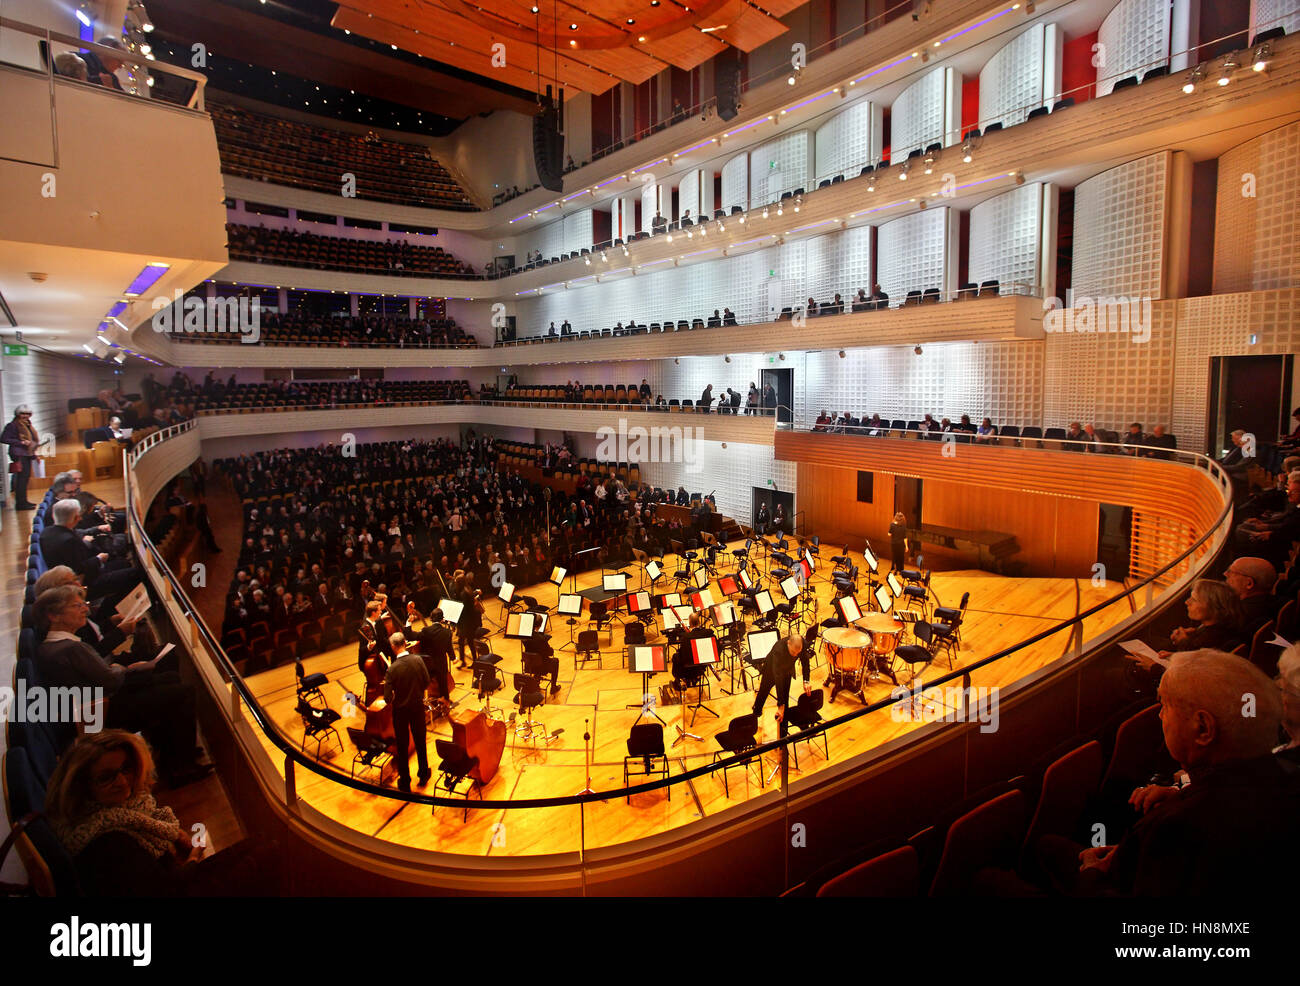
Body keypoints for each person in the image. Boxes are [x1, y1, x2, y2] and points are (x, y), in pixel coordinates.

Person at [1036, 649, 1300, 896]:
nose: (1160, 715)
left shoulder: (1178, 827)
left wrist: (1091, 874)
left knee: (1041, 850)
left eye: (1165, 705)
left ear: (1203, 728)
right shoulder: (1284, 776)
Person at [45, 730, 277, 895]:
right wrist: (193, 859)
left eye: (126, 768)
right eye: (107, 777)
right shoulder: (111, 845)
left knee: (264, 841)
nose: (123, 781)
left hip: (174, 879)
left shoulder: (116, 812)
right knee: (272, 853)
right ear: (82, 785)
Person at [36, 584, 210, 787]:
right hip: (101, 711)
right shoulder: (71, 648)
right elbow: (110, 679)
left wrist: (118, 670)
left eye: (83, 604)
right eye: (76, 606)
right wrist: (119, 668)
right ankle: (181, 767)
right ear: (53, 616)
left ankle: (173, 749)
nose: (85, 609)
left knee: (170, 678)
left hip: (98, 703)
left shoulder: (53, 646)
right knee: (183, 693)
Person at [384, 632, 431, 792]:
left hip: (400, 712)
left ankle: (405, 781)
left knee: (402, 746)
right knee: (420, 742)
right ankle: (423, 774)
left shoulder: (392, 669)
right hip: (417, 707)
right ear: (405, 643)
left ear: (392, 647)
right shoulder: (418, 660)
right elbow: (426, 681)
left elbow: (387, 698)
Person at [750, 633, 811, 734]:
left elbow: (805, 662)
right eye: (793, 652)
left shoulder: (802, 644)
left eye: (797, 653)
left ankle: (783, 731)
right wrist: (780, 704)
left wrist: (806, 681)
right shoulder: (778, 650)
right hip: (771, 671)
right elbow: (778, 678)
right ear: (788, 643)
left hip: (787, 670)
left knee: (785, 698)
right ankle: (755, 714)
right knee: (763, 693)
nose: (795, 655)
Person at [2, 404, 40, 509]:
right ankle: (21, 503)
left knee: (25, 478)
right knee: (21, 479)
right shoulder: (12, 425)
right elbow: (4, 438)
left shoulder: (28, 425)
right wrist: (21, 442)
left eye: (27, 414)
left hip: (27, 454)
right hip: (19, 454)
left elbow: (32, 441)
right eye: (22, 413)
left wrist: (34, 455)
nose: (25, 416)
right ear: (18, 414)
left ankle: (23, 501)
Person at [417, 607, 455, 705]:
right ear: (442, 619)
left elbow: (411, 636)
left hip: (427, 664)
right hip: (440, 663)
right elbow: (449, 648)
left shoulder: (425, 631)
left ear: (431, 618)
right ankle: (445, 699)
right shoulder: (447, 632)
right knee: (443, 681)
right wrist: (453, 658)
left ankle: (432, 698)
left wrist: (408, 623)